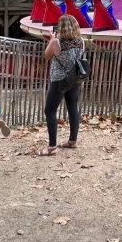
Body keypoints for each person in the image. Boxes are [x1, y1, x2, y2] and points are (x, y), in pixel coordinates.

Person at [39, 14, 84, 156]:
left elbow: (47, 56)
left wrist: (51, 40)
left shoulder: (57, 42)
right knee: (72, 107)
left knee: (50, 110)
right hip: (75, 78)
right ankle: (72, 141)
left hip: (60, 79)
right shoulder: (81, 41)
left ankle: (52, 147)